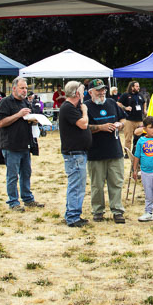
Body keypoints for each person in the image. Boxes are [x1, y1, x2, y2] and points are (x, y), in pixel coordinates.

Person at [0, 77, 43, 211]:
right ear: (14, 88)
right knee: (12, 175)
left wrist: (33, 120)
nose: (24, 91)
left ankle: (28, 198)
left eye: (26, 88)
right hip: (11, 145)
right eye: (22, 88)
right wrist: (18, 115)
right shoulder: (5, 102)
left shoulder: (25, 103)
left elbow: (26, 119)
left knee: (26, 173)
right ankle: (13, 202)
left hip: (25, 144)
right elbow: (1, 123)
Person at [85, 79, 126, 223]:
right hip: (95, 152)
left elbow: (124, 119)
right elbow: (83, 127)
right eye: (98, 90)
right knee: (97, 184)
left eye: (103, 90)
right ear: (90, 92)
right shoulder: (85, 107)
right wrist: (100, 127)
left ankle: (117, 211)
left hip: (115, 151)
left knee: (116, 182)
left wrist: (120, 124)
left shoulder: (111, 103)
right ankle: (98, 211)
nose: (102, 92)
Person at [59, 81, 91, 227]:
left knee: (78, 185)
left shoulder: (72, 107)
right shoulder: (68, 108)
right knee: (76, 185)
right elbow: (83, 124)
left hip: (78, 152)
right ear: (76, 93)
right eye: (82, 91)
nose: (84, 94)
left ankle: (73, 213)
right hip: (74, 153)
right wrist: (85, 111)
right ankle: (72, 217)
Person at [117, 81, 145, 154]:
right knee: (128, 138)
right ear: (132, 87)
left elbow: (144, 102)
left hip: (139, 120)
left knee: (139, 137)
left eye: (138, 86)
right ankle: (127, 153)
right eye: (136, 86)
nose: (138, 88)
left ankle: (136, 151)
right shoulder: (126, 95)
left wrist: (145, 110)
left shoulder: (140, 95)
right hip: (129, 120)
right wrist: (125, 108)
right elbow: (118, 103)